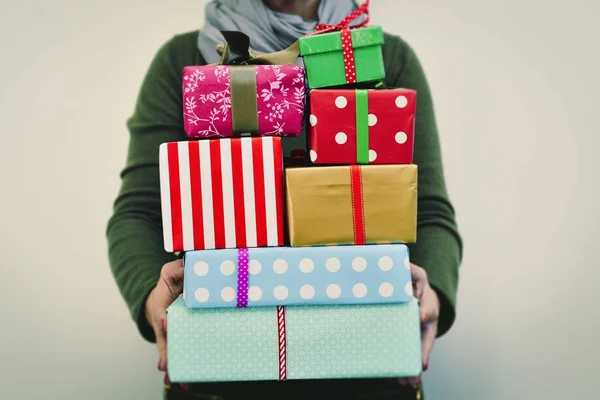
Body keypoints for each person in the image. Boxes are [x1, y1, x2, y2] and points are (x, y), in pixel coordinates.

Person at [106, 0, 463, 398]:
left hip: (368, 370)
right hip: (221, 369)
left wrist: (433, 296)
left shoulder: (384, 57)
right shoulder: (182, 60)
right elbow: (138, 212)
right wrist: (149, 296)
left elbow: (427, 210)